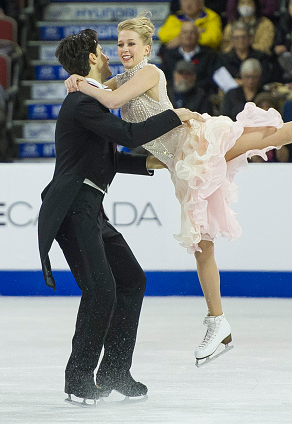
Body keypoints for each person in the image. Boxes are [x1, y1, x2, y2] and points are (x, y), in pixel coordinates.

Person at [65, 13, 292, 365]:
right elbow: (109, 96)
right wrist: (83, 80)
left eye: (130, 43)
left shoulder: (149, 73)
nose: (123, 49)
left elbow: (108, 101)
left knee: (283, 134)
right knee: (202, 245)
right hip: (182, 168)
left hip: (199, 144)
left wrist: (78, 80)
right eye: (120, 44)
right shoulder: (121, 80)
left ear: (147, 47)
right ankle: (218, 323)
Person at [37, 29, 201, 404]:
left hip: (90, 208)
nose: (110, 55)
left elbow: (110, 156)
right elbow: (128, 134)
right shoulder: (82, 103)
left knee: (130, 280)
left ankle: (114, 371)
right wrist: (174, 116)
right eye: (102, 51)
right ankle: (78, 379)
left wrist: (157, 163)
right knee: (101, 289)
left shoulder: (89, 104)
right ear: (93, 58)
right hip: (73, 208)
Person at [159, 21, 219, 98]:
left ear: (198, 36)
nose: (188, 36)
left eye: (192, 33)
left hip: (201, 98)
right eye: (185, 32)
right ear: (179, 36)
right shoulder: (169, 55)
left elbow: (212, 80)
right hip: (173, 97)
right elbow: (164, 78)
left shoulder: (209, 55)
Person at [220, 21, 282, 86]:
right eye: (237, 38)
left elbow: (264, 79)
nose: (241, 40)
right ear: (232, 40)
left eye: (244, 37)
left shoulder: (261, 57)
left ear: (250, 39)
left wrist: (241, 82)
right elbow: (223, 81)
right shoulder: (224, 58)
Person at [158, 0, 223, 50]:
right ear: (180, 5)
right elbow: (163, 35)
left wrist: (182, 40)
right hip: (178, 56)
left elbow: (214, 39)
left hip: (205, 56)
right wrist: (196, 31)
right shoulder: (174, 17)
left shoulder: (212, 17)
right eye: (185, 1)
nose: (188, 4)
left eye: (192, 1)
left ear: (201, 3)